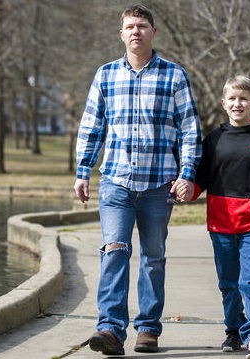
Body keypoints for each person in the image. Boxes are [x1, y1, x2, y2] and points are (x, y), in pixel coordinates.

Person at [73, 4, 202, 356]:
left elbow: (190, 130)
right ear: (121, 34)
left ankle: (147, 329)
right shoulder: (105, 75)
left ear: (153, 32)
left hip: (159, 184)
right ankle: (110, 329)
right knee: (114, 251)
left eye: (142, 26)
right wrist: (82, 171)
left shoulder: (174, 76)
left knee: (153, 256)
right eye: (130, 26)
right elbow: (92, 127)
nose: (136, 32)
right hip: (116, 181)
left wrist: (187, 174)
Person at [175, 75, 250, 359]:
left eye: (243, 99)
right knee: (228, 282)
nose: (237, 104)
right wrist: (187, 190)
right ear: (223, 103)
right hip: (221, 224)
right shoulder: (214, 139)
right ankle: (233, 330)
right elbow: (202, 179)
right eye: (232, 99)